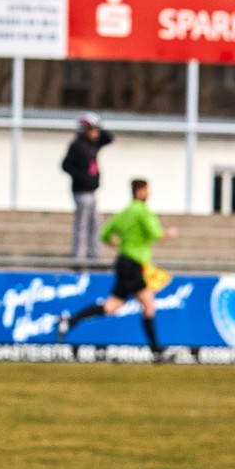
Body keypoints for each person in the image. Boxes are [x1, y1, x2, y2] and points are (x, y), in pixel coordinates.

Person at [57, 177, 176, 357]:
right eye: (146, 190)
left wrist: (114, 242)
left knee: (117, 306)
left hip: (124, 263)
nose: (149, 193)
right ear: (139, 192)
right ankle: (156, 350)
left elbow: (105, 233)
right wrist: (168, 233)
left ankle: (70, 321)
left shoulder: (124, 212)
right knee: (143, 305)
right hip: (134, 264)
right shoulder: (142, 212)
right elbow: (155, 233)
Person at [62, 111, 113, 261]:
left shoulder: (92, 145)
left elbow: (109, 138)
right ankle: (79, 256)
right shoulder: (77, 146)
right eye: (93, 130)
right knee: (83, 224)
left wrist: (99, 126)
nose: (96, 133)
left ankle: (93, 254)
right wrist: (83, 178)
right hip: (81, 191)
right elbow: (66, 165)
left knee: (95, 223)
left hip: (92, 191)